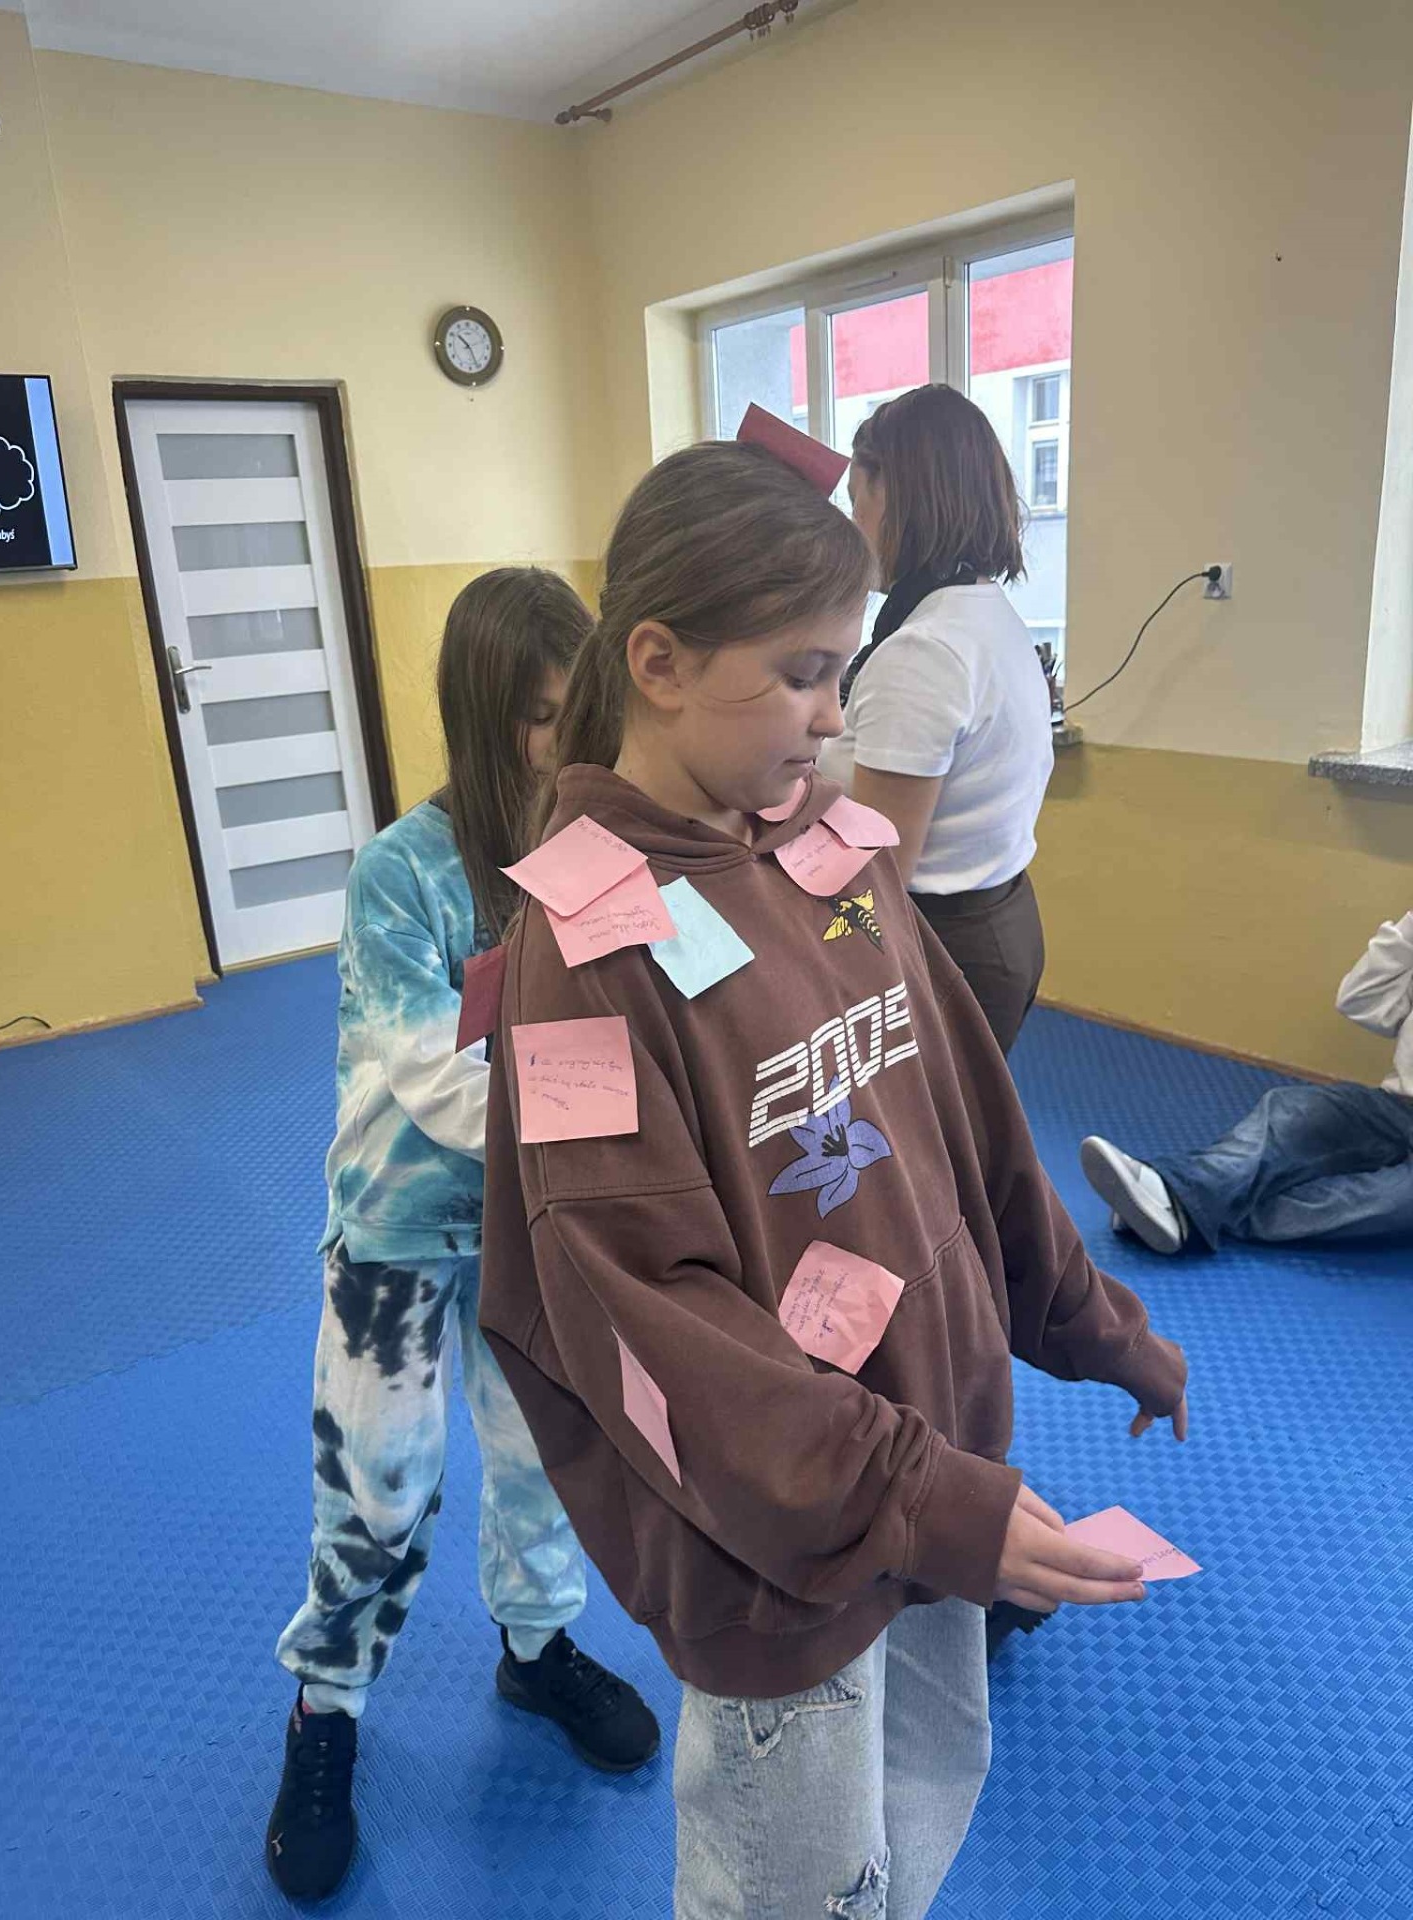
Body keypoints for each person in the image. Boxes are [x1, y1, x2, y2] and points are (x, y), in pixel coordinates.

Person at [476, 433, 1189, 1920]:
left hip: (927, 1472)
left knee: (910, 1828)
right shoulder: (582, 949)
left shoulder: (834, 856)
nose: (834, 715)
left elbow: (967, 1120)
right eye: (801, 674)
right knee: (796, 1885)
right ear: (658, 663)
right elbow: (647, 1309)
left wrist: (1091, 1320)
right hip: (779, 1548)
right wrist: (917, 1497)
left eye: (843, 670)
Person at [266, 569, 659, 1903]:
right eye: (542, 717)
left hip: (536, 1223)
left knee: (547, 1449)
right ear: (487, 718)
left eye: (577, 713)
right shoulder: (400, 875)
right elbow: (440, 1082)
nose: (563, 743)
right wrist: (633, 1116)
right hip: (398, 1229)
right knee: (379, 1483)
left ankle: (537, 1650)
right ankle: (326, 1707)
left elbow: (676, 996)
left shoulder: (590, 860)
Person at [820, 383, 1054, 1057]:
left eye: (856, 500)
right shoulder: (981, 612)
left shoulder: (923, 651)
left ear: (897, 497)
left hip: (943, 941)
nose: (854, 523)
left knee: (923, 1122)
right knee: (965, 1115)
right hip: (997, 921)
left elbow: (881, 872)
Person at [1082, 911, 1413, 1253]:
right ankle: (1178, 1193)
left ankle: (1180, 1205)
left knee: (1390, 1200)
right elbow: (1360, 1002)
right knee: (1290, 1114)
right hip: (1394, 1106)